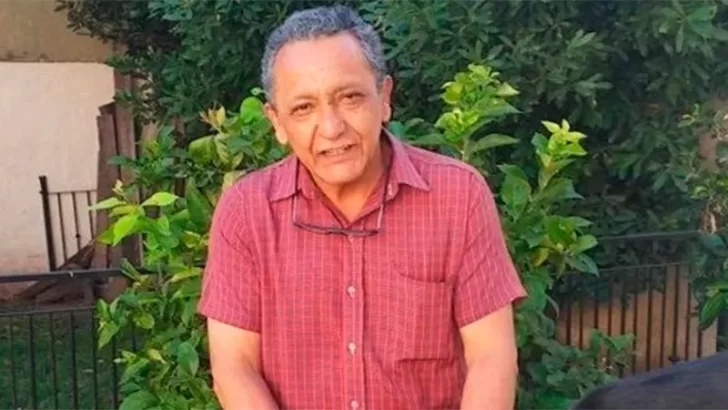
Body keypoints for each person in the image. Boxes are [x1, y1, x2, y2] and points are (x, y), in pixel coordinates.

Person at [197, 5, 527, 410]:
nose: (332, 128)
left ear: (384, 98)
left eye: (350, 97)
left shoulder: (458, 197)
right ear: (277, 122)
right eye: (304, 108)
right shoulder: (247, 211)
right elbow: (235, 366)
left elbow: (491, 357)